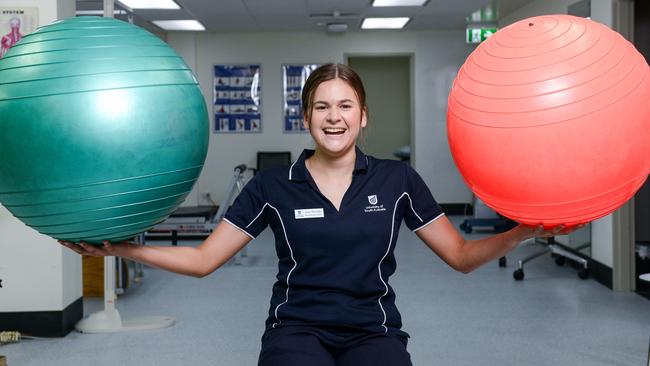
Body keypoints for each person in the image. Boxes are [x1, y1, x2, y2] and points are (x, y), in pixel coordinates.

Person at [61, 63, 582, 366]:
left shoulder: (397, 181)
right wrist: (123, 249)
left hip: (372, 329)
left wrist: (522, 232)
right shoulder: (272, 186)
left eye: (346, 106)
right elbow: (203, 261)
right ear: (306, 116)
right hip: (296, 328)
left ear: (363, 115)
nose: (334, 117)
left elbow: (462, 256)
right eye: (322, 107)